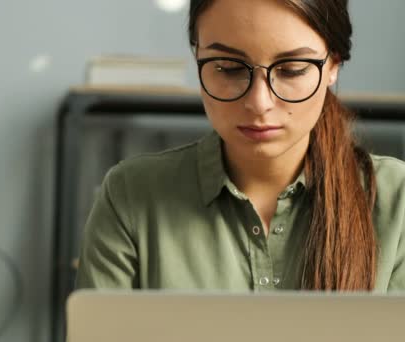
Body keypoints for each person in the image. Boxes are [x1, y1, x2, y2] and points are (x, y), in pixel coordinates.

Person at [74, 0, 405, 291]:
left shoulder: (397, 201)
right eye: (228, 69)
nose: (259, 103)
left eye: (291, 70)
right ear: (198, 56)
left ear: (333, 64)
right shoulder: (131, 196)